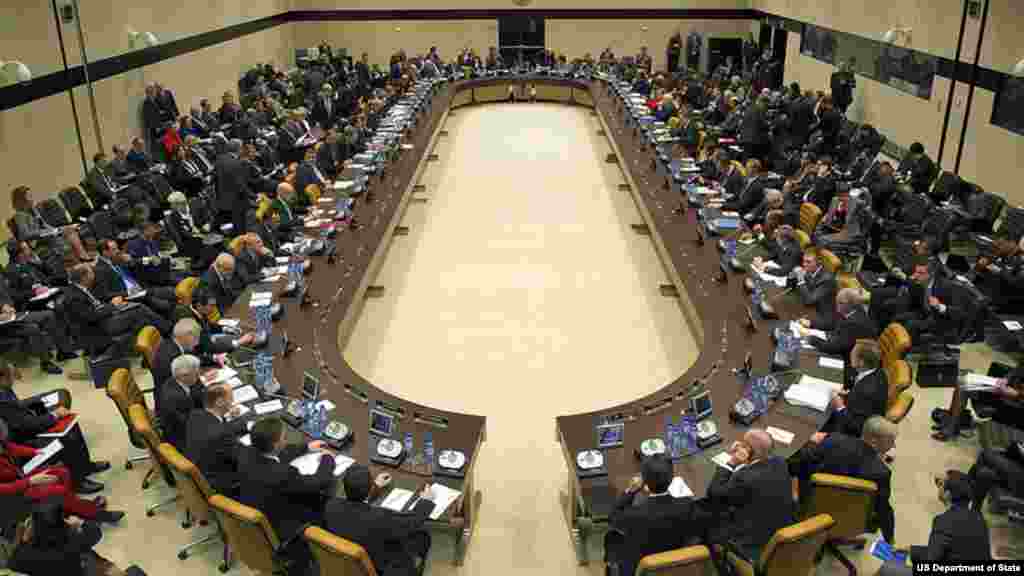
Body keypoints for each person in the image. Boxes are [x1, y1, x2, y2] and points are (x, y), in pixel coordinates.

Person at [238, 417, 335, 570]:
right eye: (284, 438)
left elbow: (277, 454)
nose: (286, 440)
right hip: (284, 527)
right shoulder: (282, 474)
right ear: (276, 444)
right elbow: (318, 482)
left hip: (259, 513)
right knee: (327, 500)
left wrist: (306, 447)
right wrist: (328, 459)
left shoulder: (247, 453)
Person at [0, 363, 109, 494]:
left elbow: (17, 411)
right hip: (22, 443)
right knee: (66, 437)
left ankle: (85, 466)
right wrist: (54, 415)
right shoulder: (2, 400)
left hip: (23, 426)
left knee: (70, 423)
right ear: (3, 378)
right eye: (11, 375)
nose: (15, 377)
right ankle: (77, 481)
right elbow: (27, 425)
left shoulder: (3, 389)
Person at [790, 416, 896, 546]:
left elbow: (801, 465)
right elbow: (883, 509)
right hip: (850, 519)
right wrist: (890, 539)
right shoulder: (881, 472)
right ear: (874, 441)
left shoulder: (833, 440)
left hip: (809, 506)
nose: (893, 445)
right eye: (891, 441)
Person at [0, 418, 123, 523]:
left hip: (19, 477)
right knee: (58, 491)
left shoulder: (2, 443)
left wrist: (34, 452)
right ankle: (98, 515)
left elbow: (10, 447)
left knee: (61, 472)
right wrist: (30, 482)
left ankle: (72, 508)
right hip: (12, 496)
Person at [606, 454, 707, 576]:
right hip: (679, 568)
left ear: (645, 481)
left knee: (612, 539)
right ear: (671, 479)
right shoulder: (687, 505)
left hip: (644, 570)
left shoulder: (633, 515)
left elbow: (613, 515)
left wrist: (631, 490)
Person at [326, 464, 435, 576]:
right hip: (379, 565)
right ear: (369, 487)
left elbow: (356, 510)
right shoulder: (379, 517)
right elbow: (412, 521)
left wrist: (375, 486)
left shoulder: (331, 505)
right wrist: (426, 501)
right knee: (422, 535)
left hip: (346, 558)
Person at [707, 429, 793, 563]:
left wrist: (732, 463)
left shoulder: (745, 478)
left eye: (742, 444)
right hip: (782, 530)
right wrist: (745, 456)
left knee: (707, 523)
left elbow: (714, 493)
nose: (738, 445)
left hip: (752, 542)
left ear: (748, 451)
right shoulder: (780, 462)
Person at [878, 472, 989, 575]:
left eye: (941, 485)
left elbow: (931, 560)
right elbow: (946, 551)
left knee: (887, 569)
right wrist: (910, 550)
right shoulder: (979, 518)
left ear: (947, 494)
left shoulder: (944, 521)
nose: (938, 487)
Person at [9, 498, 143, 576]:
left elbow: (13, 563)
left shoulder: (22, 554)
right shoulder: (73, 541)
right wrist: (80, 523)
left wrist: (22, 540)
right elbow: (96, 533)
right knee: (134, 572)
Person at [64, 263, 170, 351]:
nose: (94, 274)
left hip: (106, 317)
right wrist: (112, 306)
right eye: (91, 272)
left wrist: (116, 303)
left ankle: (152, 347)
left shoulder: (84, 288)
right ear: (84, 277)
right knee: (139, 310)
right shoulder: (74, 296)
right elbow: (91, 316)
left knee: (140, 316)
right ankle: (167, 332)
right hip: (97, 328)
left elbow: (100, 301)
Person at [0, 273, 74, 374]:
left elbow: (7, 296)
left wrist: (6, 305)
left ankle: (63, 351)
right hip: (3, 325)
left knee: (49, 315)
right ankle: (45, 362)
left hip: (13, 316)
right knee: (32, 328)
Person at [186, 384, 246, 496]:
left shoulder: (195, 415)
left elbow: (218, 427)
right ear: (219, 402)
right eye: (231, 398)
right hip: (221, 481)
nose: (233, 401)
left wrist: (232, 418)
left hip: (201, 468)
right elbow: (242, 457)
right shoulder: (221, 435)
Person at [821, 341, 889, 437]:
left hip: (846, 433)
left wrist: (839, 406)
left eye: (852, 354)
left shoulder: (867, 391)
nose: (850, 355)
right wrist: (848, 394)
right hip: (854, 410)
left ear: (861, 362)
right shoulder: (879, 372)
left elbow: (856, 426)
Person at [93, 239, 176, 317]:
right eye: (114, 249)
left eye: (117, 248)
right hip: (128, 296)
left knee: (170, 292)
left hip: (139, 288)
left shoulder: (115, 258)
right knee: (164, 302)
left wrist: (145, 259)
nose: (118, 251)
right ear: (105, 252)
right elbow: (106, 294)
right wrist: (128, 293)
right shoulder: (100, 269)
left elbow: (134, 262)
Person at [10, 186, 90, 263]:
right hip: (37, 242)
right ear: (21, 200)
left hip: (46, 235)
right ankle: (78, 259)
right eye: (29, 196)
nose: (32, 198)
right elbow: (26, 234)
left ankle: (82, 257)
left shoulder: (33, 210)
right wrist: (52, 232)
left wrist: (59, 229)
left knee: (70, 230)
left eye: (31, 195)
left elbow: (44, 225)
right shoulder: (19, 216)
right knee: (65, 236)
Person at [800, 288, 878, 360]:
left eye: (840, 302)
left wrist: (811, 339)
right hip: (845, 348)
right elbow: (834, 324)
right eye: (836, 301)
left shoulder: (853, 323)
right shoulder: (854, 311)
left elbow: (834, 348)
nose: (836, 304)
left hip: (854, 359)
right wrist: (811, 324)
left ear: (849, 304)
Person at [159, 354, 202, 451]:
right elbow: (193, 426)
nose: (199, 376)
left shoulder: (172, 381)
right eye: (196, 374)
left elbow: (197, 392)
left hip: (180, 428)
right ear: (184, 376)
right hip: (183, 442)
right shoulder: (178, 398)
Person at [215, 139, 253, 235]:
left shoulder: (220, 159)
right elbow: (240, 186)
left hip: (221, 200)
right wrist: (253, 197)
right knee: (239, 229)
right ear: (239, 149)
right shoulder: (237, 164)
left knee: (228, 229)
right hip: (236, 203)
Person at [789, 252, 836, 324]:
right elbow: (792, 289)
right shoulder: (809, 271)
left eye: (808, 262)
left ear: (819, 262)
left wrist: (801, 279)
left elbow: (809, 300)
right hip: (809, 308)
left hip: (822, 316)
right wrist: (792, 277)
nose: (804, 264)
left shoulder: (827, 279)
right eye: (803, 261)